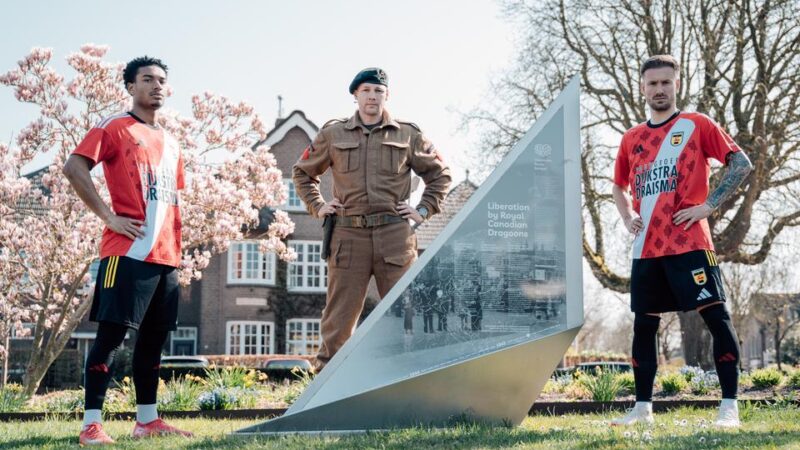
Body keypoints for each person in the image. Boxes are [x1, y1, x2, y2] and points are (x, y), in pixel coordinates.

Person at [610, 55, 752, 428]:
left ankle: (729, 409)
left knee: (717, 319)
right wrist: (627, 216)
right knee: (644, 326)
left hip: (690, 244)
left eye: (665, 83)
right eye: (652, 83)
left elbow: (740, 164)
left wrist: (708, 205)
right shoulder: (631, 139)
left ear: (677, 85)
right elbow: (617, 186)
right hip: (646, 248)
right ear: (642, 87)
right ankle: (642, 410)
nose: (659, 89)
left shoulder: (696, 125)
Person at [63, 56, 193, 445]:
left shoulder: (172, 142)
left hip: (166, 258)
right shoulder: (114, 127)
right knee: (111, 338)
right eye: (148, 79)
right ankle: (91, 424)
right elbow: (74, 167)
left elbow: (168, 200)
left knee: (154, 340)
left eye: (162, 81)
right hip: (128, 253)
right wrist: (108, 216)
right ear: (130, 87)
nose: (157, 86)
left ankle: (147, 420)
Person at [292, 68, 451, 371]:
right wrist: (318, 205)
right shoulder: (333, 134)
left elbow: (440, 174)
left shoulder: (408, 134)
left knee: (409, 311)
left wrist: (424, 211)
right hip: (348, 236)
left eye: (378, 91)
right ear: (355, 95)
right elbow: (302, 172)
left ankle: (410, 379)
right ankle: (328, 386)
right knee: (339, 317)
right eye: (366, 90)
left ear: (387, 96)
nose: (372, 97)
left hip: (395, 235)